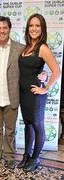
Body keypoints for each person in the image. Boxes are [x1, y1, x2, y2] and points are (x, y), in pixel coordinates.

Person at [0, 16, 46, 170]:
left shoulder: (20, 48)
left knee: (10, 130)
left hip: (12, 96)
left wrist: (43, 73)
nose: (2, 31)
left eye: (5, 28)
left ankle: (10, 157)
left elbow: (31, 64)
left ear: (9, 29)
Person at [18, 13, 60, 172]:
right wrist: (44, 75)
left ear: (42, 29)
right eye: (31, 25)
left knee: (37, 126)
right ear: (27, 28)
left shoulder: (43, 48)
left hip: (36, 95)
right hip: (24, 94)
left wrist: (46, 87)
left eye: (37, 26)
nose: (34, 29)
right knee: (27, 125)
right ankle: (26, 156)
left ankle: (35, 158)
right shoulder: (27, 47)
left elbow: (57, 70)